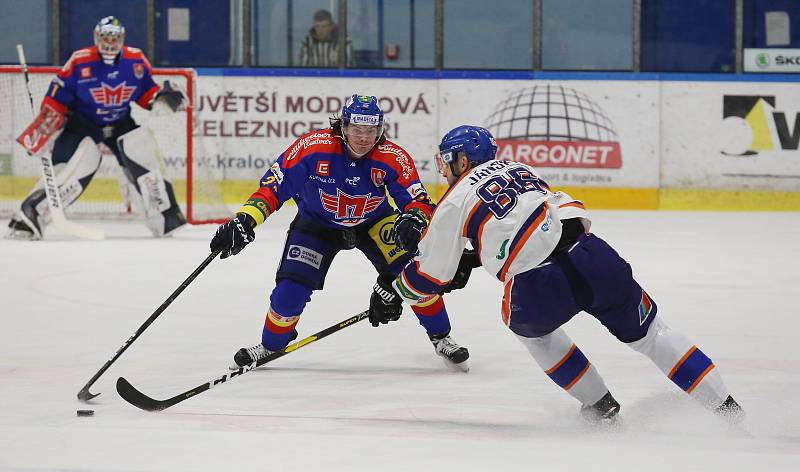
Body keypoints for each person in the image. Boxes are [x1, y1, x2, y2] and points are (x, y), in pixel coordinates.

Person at [369, 124, 745, 423]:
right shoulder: (521, 168)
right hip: (594, 255)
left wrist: (395, 292)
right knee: (653, 333)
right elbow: (528, 225)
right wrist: (476, 258)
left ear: (464, 160)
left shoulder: (453, 200)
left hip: (538, 285)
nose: (445, 168)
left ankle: (600, 406)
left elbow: (430, 278)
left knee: (534, 334)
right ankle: (728, 410)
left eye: (449, 160)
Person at [210, 95, 469, 371]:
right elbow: (275, 187)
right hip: (317, 223)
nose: (364, 137)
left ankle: (441, 337)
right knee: (290, 291)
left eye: (371, 130)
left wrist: (415, 218)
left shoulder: (393, 157)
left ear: (380, 130)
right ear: (343, 127)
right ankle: (271, 345)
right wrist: (245, 220)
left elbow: (418, 201)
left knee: (412, 274)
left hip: (374, 221)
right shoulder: (312, 148)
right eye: (357, 129)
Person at [7, 16, 187, 241]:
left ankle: (164, 218)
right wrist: (43, 128)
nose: (110, 43)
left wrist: (162, 100)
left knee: (140, 147)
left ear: (122, 39)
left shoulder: (135, 61)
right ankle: (30, 215)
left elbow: (146, 93)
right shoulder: (80, 61)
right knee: (77, 165)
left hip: (121, 123)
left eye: (114, 38)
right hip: (81, 124)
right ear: (96, 38)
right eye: (105, 37)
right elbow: (57, 95)